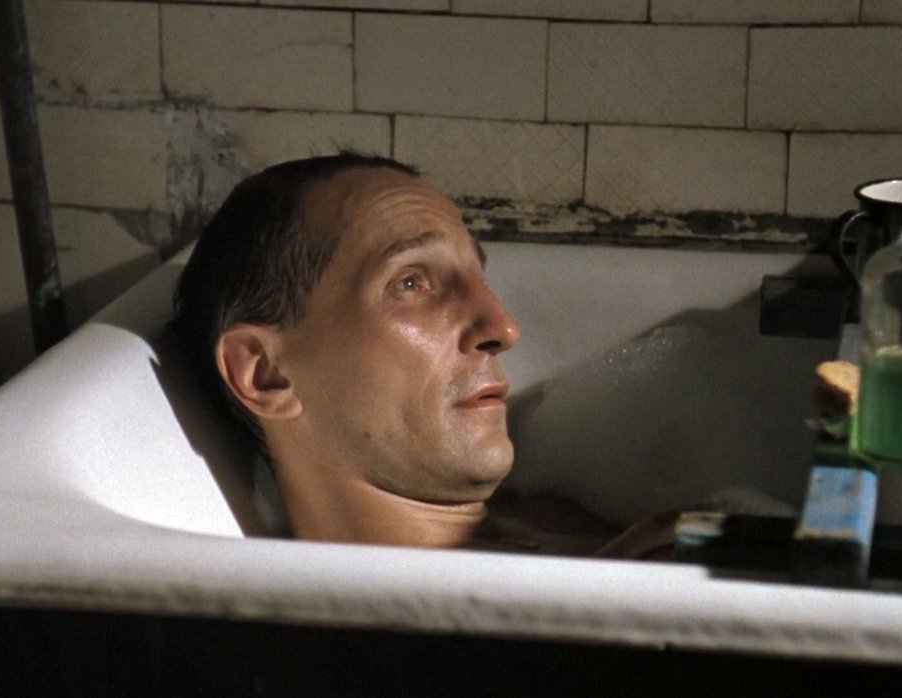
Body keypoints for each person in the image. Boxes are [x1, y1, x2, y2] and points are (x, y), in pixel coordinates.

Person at [172, 153, 676, 558]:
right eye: (411, 283)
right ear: (265, 374)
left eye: (478, 277)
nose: (503, 328)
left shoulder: (552, 521)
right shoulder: (378, 638)